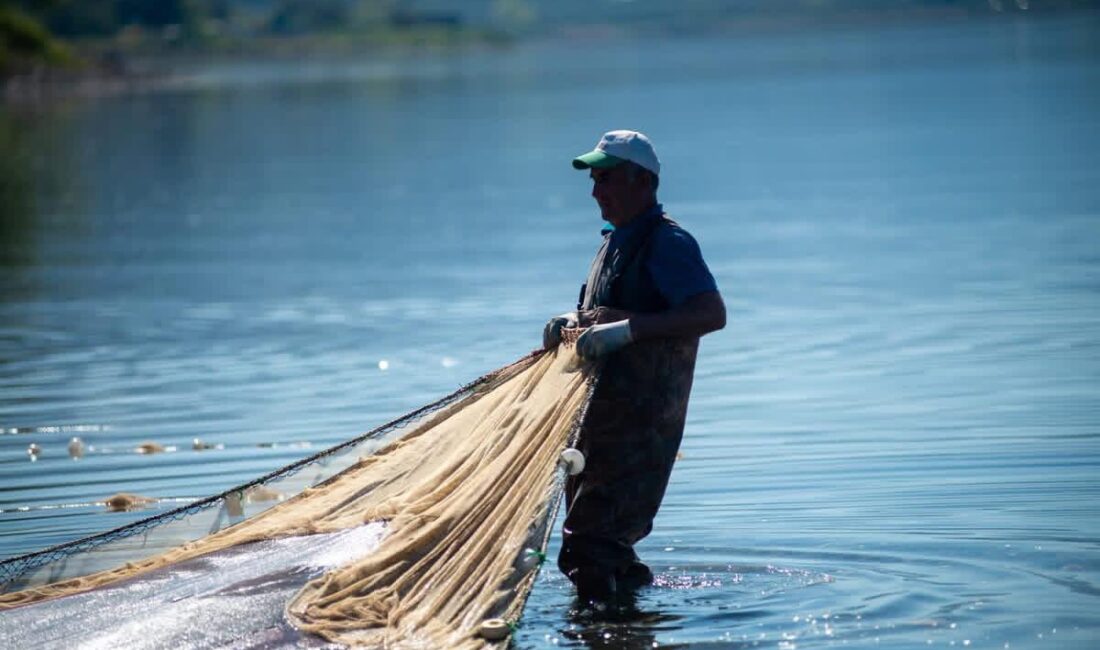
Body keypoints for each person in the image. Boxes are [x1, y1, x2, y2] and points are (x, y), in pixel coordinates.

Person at [543, 130, 726, 602]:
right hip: (597, 425)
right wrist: (572, 323)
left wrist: (628, 330)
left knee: (590, 545)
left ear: (642, 181)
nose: (595, 191)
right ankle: (631, 613)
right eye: (593, 180)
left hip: (642, 426)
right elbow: (603, 314)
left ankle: (607, 629)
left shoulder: (668, 243)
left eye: (605, 178)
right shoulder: (612, 244)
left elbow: (710, 314)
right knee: (599, 547)